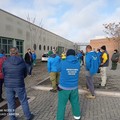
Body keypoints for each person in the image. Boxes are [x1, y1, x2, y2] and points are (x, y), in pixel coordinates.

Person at [2, 47, 34, 120]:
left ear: (10, 53)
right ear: (17, 53)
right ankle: (28, 116)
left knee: (10, 102)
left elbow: (4, 73)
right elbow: (25, 74)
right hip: (19, 84)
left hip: (8, 85)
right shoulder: (22, 61)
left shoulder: (5, 62)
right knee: (23, 101)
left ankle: (12, 118)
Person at [57, 49, 81, 120]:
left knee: (61, 105)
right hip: (74, 87)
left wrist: (61, 59)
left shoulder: (63, 62)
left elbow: (57, 69)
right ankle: (77, 116)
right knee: (75, 103)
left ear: (67, 55)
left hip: (64, 88)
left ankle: (60, 118)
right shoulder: (78, 63)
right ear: (74, 55)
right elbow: (78, 70)